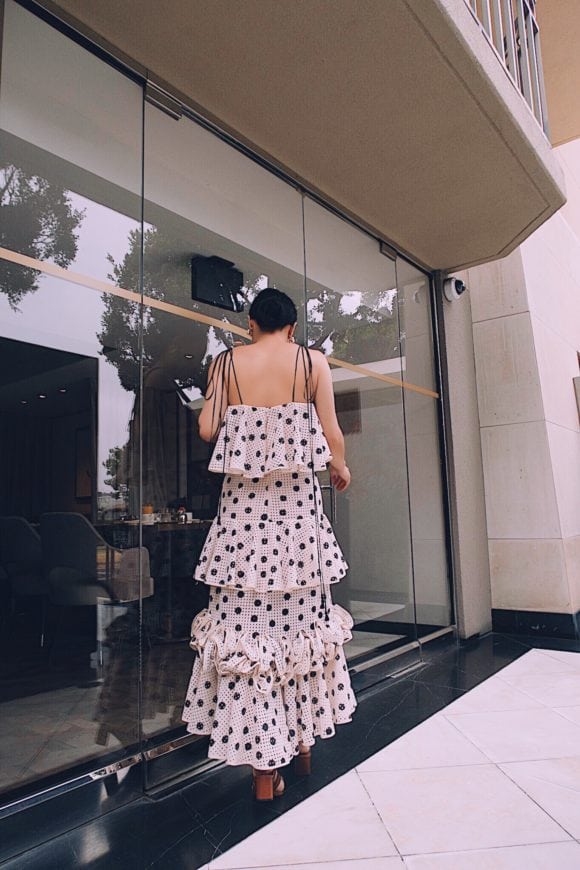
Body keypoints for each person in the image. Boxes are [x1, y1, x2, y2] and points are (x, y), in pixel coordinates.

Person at [182, 287, 357, 800]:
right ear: (292, 327)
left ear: (251, 324)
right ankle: (302, 744)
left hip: (242, 527)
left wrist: (234, 411)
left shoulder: (226, 363)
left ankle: (263, 772)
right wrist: (340, 466)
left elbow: (208, 428)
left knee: (248, 633)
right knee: (300, 629)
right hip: (298, 526)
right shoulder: (311, 362)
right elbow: (331, 430)